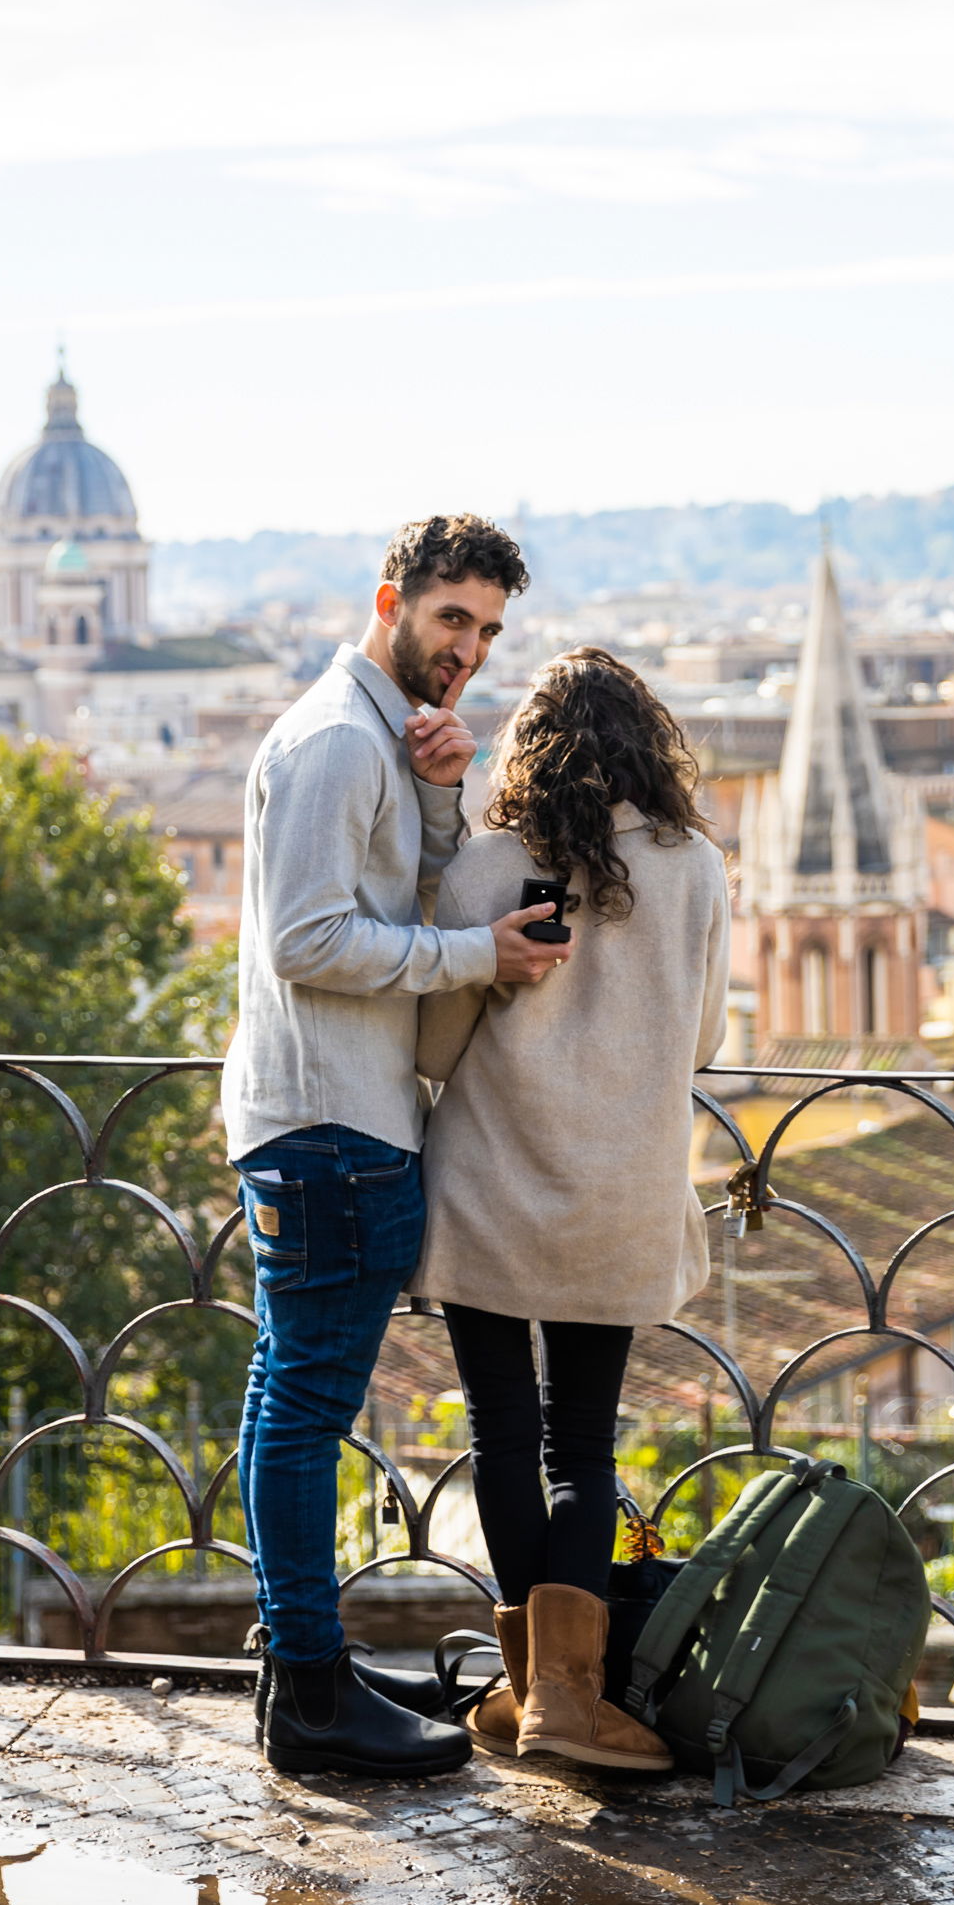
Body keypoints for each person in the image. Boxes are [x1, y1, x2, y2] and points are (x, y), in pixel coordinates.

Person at [221, 514, 572, 1778]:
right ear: (390, 600)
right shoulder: (328, 742)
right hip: (328, 1123)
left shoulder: (373, 736)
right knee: (304, 1408)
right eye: (450, 621)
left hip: (330, 1116)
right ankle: (310, 1698)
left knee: (290, 1401)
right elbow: (311, 939)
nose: (468, 650)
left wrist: (436, 791)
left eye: (486, 630)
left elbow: (395, 893)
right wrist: (479, 956)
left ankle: (302, 1665)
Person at [409, 647, 730, 1773]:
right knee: (580, 1447)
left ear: (532, 752)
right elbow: (702, 1042)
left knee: (500, 1435)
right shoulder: (694, 865)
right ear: (651, 747)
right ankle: (559, 1701)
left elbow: (437, 1046)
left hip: (490, 1187)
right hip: (620, 1197)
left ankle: (529, 1691)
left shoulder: (488, 863)